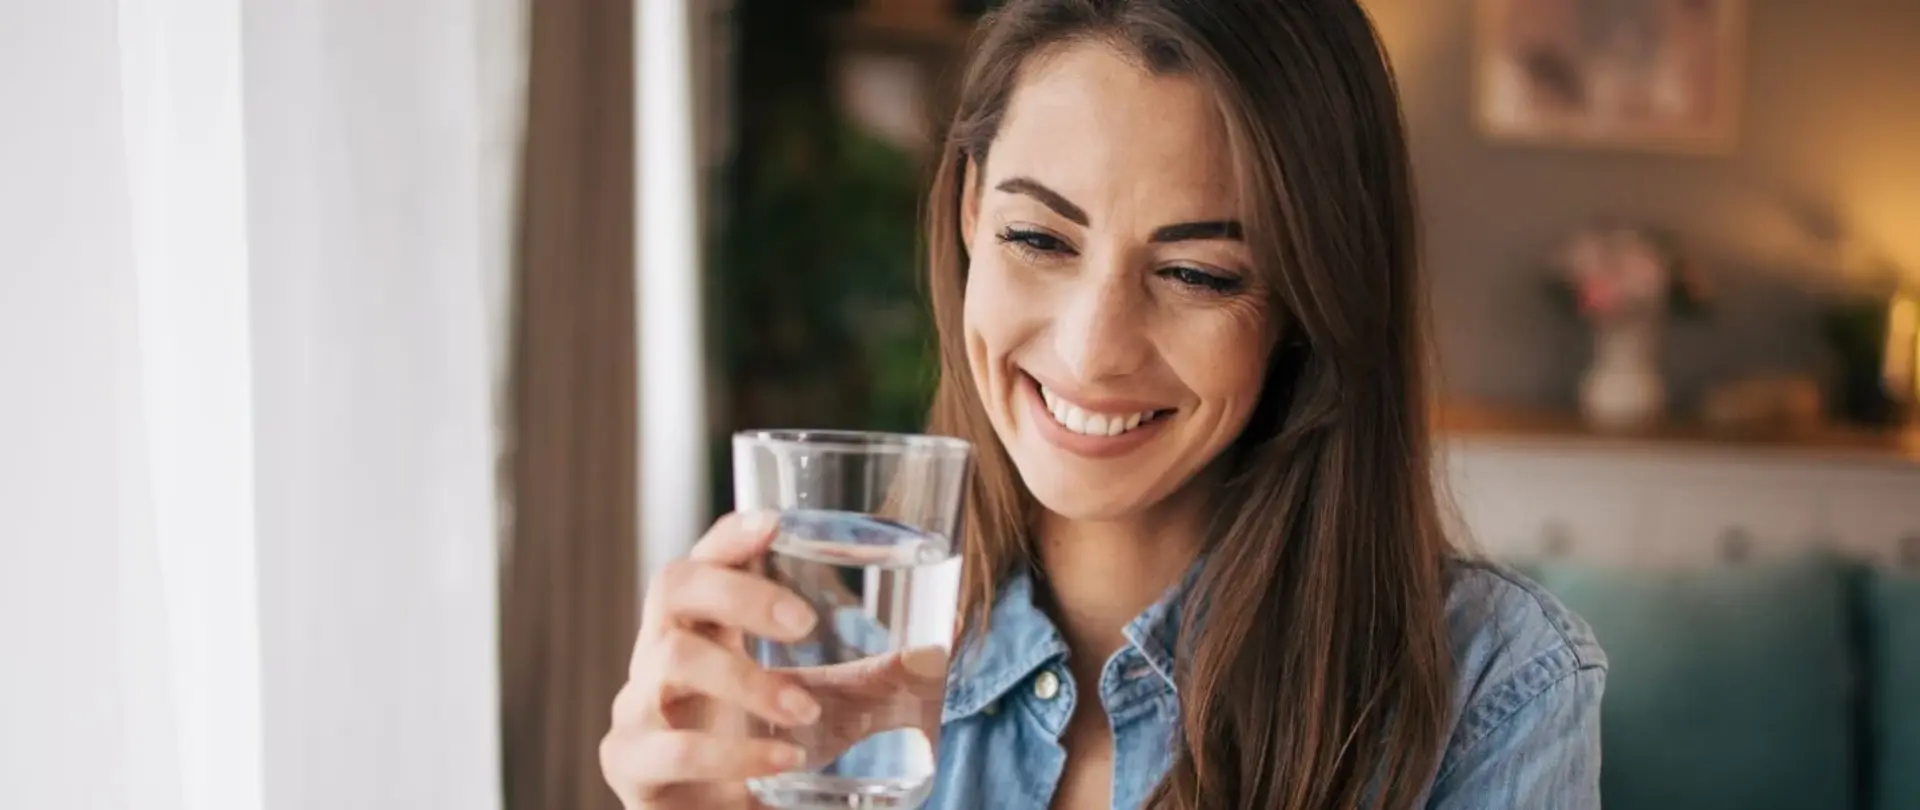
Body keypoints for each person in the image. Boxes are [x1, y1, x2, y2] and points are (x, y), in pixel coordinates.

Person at [600, 1, 1607, 808]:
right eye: (1039, 239)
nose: (1091, 349)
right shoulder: (823, 644)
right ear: (968, 210)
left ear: (1309, 292)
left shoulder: (1496, 688)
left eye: (1198, 272)